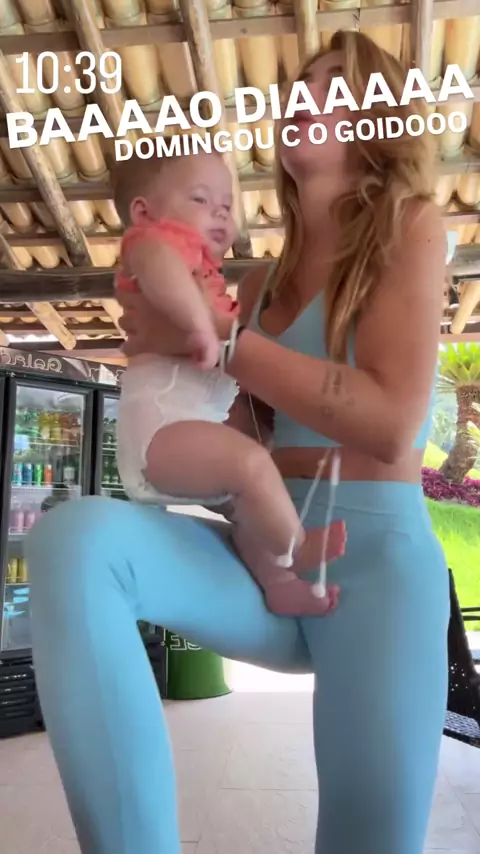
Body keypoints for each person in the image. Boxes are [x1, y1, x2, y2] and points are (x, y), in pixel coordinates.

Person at [26, 30, 449, 854]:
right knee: (76, 539)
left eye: (333, 84)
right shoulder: (254, 285)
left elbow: (392, 423)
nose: (302, 94)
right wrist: (159, 359)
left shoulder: (413, 228)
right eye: (300, 83)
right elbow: (244, 430)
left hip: (375, 568)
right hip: (264, 548)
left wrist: (225, 341)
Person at [112, 150, 345, 614]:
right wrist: (201, 325)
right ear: (143, 211)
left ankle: (279, 584)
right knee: (251, 465)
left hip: (189, 433)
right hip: (160, 432)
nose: (220, 213)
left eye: (226, 204)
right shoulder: (151, 243)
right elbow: (162, 273)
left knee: (249, 506)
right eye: (201, 199)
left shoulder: (201, 273)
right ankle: (296, 550)